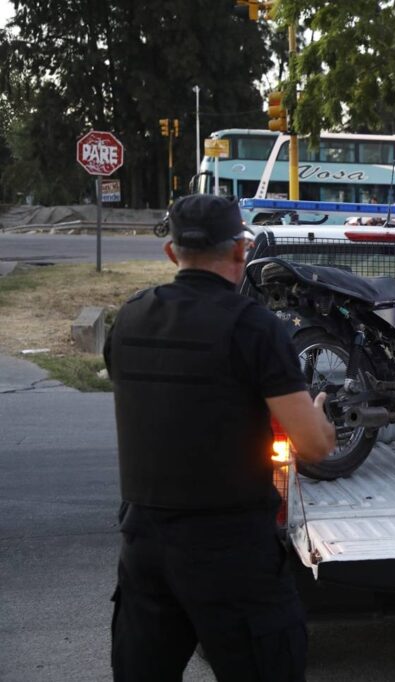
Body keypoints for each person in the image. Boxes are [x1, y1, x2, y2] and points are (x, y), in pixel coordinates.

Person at [104, 194, 336, 681]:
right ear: (241, 251)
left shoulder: (128, 318)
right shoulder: (255, 328)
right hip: (230, 551)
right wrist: (321, 417)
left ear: (172, 254)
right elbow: (313, 446)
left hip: (145, 546)